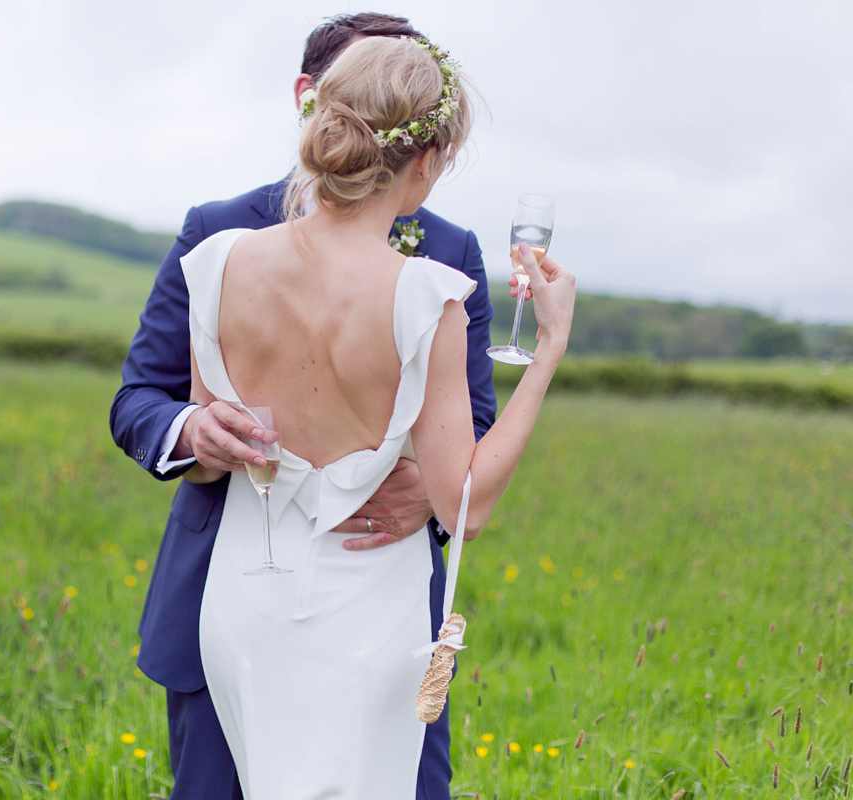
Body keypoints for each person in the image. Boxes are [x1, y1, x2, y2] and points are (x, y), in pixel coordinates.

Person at [110, 14, 495, 800]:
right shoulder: (216, 231)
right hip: (229, 602)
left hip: (379, 622)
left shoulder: (450, 254)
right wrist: (192, 430)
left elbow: (472, 423)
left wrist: (432, 489)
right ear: (309, 100)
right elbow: (137, 398)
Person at [183, 35, 575, 798]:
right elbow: (466, 502)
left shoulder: (220, 261)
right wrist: (551, 345)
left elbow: (214, 442)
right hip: (364, 612)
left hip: (242, 602)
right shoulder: (429, 295)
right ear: (425, 161)